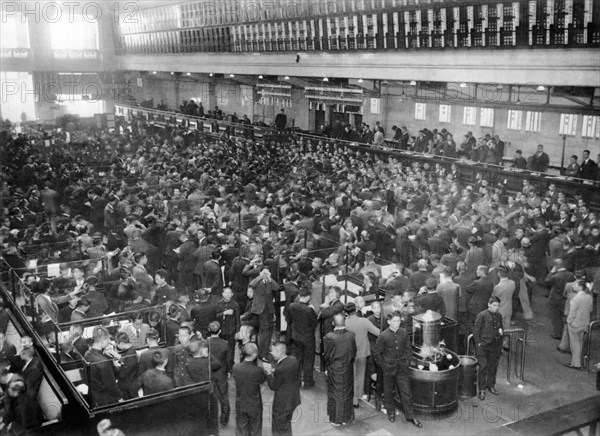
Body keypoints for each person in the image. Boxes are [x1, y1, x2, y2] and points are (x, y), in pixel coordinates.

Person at [373, 312, 422, 427]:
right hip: (388, 370)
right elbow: (377, 354)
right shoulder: (383, 336)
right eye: (394, 321)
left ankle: (410, 416)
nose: (397, 323)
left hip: (402, 369)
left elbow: (408, 349)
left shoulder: (404, 333)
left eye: (399, 321)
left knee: (407, 393)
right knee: (388, 392)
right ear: (389, 322)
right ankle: (391, 413)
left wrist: (406, 362)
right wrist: (384, 366)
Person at [322, 312, 357, 427]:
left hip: (334, 368)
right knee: (347, 392)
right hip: (347, 368)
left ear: (333, 323)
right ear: (344, 322)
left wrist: (327, 367)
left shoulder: (329, 337)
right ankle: (346, 417)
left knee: (335, 393)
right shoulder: (351, 335)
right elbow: (353, 352)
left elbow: (326, 355)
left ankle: (336, 419)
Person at [344, 302, 380, 408]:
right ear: (355, 310)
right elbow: (378, 333)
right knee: (360, 375)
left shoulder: (344, 322)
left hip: (349, 353)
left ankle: (353, 398)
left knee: (351, 375)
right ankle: (358, 395)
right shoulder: (364, 321)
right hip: (362, 353)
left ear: (346, 312)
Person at [263, 342, 301, 436]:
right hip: (293, 399)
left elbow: (273, 386)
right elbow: (286, 374)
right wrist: (274, 371)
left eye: (272, 351)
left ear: (278, 351)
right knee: (286, 425)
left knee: (278, 427)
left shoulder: (280, 369)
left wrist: (268, 373)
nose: (271, 353)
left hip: (282, 404)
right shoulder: (293, 360)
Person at [286, 288, 318, 389]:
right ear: (308, 297)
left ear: (300, 295)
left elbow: (290, 319)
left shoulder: (292, 306)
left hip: (296, 336)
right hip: (308, 338)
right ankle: (308, 382)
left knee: (297, 359)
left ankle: (297, 380)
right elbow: (314, 323)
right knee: (308, 360)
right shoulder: (309, 309)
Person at [232, 342, 266, 436]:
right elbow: (262, 379)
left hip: (241, 403)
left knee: (242, 429)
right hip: (254, 405)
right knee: (255, 429)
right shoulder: (258, 371)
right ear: (255, 354)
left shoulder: (236, 367)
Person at [84, 327, 123, 406]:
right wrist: (120, 398)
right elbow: (111, 385)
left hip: (94, 396)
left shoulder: (87, 354)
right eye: (108, 339)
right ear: (102, 340)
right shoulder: (104, 362)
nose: (109, 341)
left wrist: (106, 356)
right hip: (107, 399)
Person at [473, 297, 503, 400]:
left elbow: (500, 329)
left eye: (498, 305)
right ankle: (481, 389)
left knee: (492, 367)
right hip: (484, 346)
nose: (496, 308)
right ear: (489, 305)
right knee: (483, 367)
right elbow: (476, 330)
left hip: (495, 346)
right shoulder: (482, 315)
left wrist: (500, 342)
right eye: (494, 305)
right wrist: (479, 343)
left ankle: (490, 385)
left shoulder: (499, 316)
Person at [248, 268, 279, 361]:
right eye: (264, 273)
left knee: (270, 330)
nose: (265, 275)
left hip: (269, 309)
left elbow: (276, 287)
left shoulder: (269, 282)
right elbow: (251, 284)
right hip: (260, 310)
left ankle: (266, 349)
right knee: (264, 332)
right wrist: (260, 276)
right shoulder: (257, 282)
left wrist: (270, 278)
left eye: (267, 273)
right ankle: (262, 354)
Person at [564, 280, 594, 369]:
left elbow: (572, 312)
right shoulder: (589, 297)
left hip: (575, 324)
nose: (574, 285)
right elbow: (590, 309)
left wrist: (569, 321)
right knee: (580, 343)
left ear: (580, 286)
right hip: (585, 323)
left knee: (575, 344)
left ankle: (576, 363)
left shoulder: (576, 298)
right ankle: (579, 362)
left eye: (576, 284)